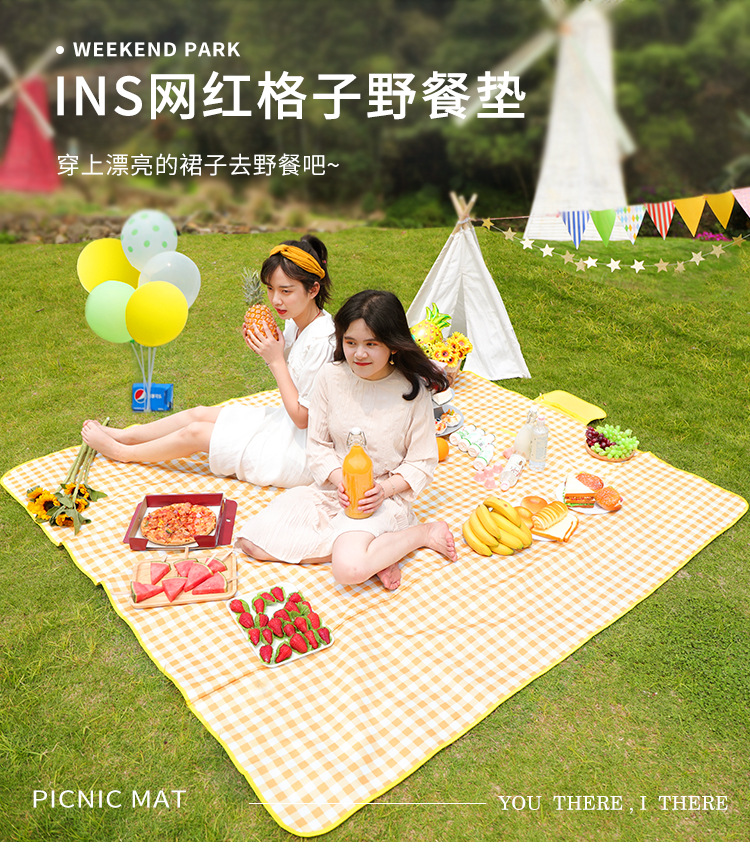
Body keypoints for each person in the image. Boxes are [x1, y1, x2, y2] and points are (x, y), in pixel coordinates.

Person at [234, 289, 458, 591]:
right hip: (333, 490)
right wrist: (341, 481)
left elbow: (422, 461)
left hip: (381, 499)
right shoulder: (330, 376)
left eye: (371, 344)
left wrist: (383, 490)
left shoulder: (412, 390)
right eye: (350, 343)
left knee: (349, 570)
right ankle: (379, 552)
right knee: (253, 542)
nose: (359, 354)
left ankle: (423, 533)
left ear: (393, 345)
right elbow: (318, 445)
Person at [81, 235, 335, 487]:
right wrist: (269, 350)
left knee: (196, 432)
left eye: (286, 291)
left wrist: (275, 360)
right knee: (198, 413)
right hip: (283, 424)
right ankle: (130, 435)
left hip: (299, 450)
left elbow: (303, 418)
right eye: (270, 289)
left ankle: (123, 452)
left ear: (313, 289)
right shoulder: (295, 322)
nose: (276, 300)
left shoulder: (323, 341)